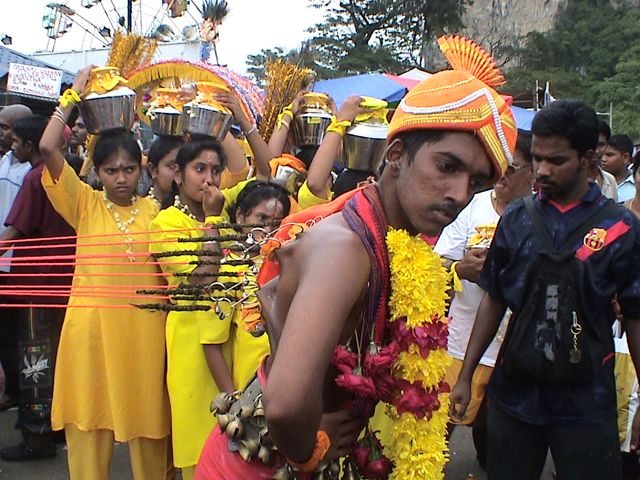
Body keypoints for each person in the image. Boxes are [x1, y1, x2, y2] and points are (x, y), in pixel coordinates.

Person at [195, 35, 517, 479]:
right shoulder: (347, 247)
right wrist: (311, 447)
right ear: (397, 155)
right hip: (262, 463)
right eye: (446, 166)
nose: (460, 194)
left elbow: (274, 297)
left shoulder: (385, 234)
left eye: (476, 181)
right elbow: (286, 407)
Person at [450, 100, 640, 480]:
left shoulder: (620, 228)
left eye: (556, 160)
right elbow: (494, 297)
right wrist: (465, 376)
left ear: (589, 159)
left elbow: (635, 316)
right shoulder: (517, 218)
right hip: (514, 397)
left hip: (587, 402)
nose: (541, 170)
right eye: (536, 158)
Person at [38, 66, 171, 480]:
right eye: (111, 170)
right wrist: (72, 97)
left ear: (141, 169)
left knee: (149, 426)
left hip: (144, 333)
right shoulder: (85, 205)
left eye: (128, 169)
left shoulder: (157, 210)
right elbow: (46, 147)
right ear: (96, 171)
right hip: (91, 333)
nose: (120, 178)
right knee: (88, 421)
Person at [148, 137, 276, 480]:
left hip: (227, 344)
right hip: (190, 342)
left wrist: (228, 118)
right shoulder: (166, 223)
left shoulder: (220, 207)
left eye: (215, 170)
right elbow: (203, 276)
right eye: (199, 169)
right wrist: (213, 219)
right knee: (198, 442)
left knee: (233, 445)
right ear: (177, 174)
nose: (209, 179)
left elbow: (261, 170)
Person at [435, 131, 534, 468]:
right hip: (462, 339)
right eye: (500, 164)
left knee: (494, 433)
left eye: (513, 167)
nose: (503, 174)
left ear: (534, 173)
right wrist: (461, 268)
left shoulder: (540, 218)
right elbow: (437, 261)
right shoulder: (474, 206)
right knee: (442, 422)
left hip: (513, 346)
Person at [0, 114, 75, 461]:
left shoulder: (36, 178)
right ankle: (56, 427)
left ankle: (37, 437)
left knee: (35, 359)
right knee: (54, 358)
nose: (11, 147)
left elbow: (12, 234)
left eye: (15, 142)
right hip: (64, 283)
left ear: (31, 144)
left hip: (35, 285)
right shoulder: (66, 175)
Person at [0, 103, 34, 411]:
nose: (2, 135)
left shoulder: (32, 174)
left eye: (6, 128)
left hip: (15, 266)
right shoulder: (6, 161)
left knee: (15, 335)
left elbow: (17, 228)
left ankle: (20, 395)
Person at [146, 135, 183, 206]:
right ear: (153, 169)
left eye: (183, 167)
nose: (179, 173)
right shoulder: (141, 211)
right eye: (172, 166)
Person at [603, 133, 635, 203]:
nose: (603, 159)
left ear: (625, 157)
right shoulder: (596, 182)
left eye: (609, 155)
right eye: (602, 154)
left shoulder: (637, 185)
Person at [590, 120, 618, 201]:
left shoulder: (610, 180)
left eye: (601, 145)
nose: (596, 151)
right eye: (592, 144)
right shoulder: (573, 179)